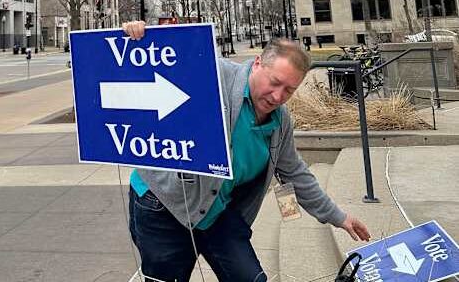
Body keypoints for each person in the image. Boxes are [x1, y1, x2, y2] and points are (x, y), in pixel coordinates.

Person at [122, 20, 370, 282]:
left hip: (216, 208)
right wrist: (142, 35)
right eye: (275, 82)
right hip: (164, 200)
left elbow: (295, 171)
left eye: (289, 90)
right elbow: (161, 64)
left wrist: (338, 216)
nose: (277, 96)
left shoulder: (280, 120)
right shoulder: (214, 75)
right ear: (257, 63)